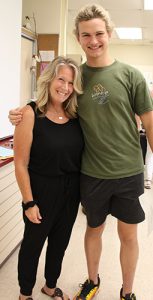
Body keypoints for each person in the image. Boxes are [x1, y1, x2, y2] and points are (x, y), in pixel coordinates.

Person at [9, 4, 153, 300]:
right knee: (94, 231)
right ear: (78, 37)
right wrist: (23, 111)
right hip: (91, 174)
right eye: (86, 35)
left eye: (99, 33)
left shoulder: (131, 75)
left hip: (127, 172)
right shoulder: (77, 77)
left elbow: (150, 124)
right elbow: (53, 101)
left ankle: (128, 291)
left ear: (109, 34)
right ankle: (91, 280)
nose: (94, 40)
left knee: (127, 235)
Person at [13, 56, 84, 300]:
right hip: (41, 190)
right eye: (60, 79)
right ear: (49, 78)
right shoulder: (31, 113)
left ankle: (50, 286)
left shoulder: (75, 115)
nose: (65, 87)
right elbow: (20, 163)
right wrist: (28, 202)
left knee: (59, 242)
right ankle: (25, 293)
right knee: (33, 245)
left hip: (71, 190)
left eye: (70, 82)